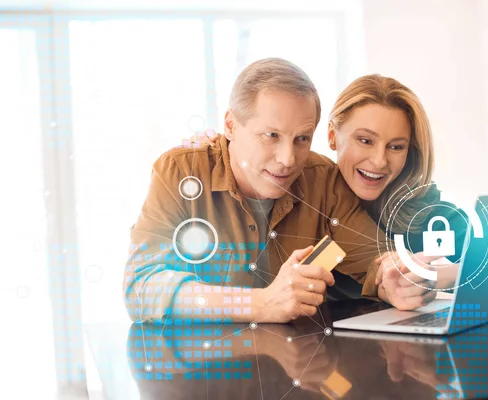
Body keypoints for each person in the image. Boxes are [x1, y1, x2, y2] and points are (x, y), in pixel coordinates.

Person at [123, 58, 417, 325]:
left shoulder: (324, 181)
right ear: (230, 125)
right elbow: (142, 287)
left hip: (296, 369)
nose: (288, 159)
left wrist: (399, 283)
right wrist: (260, 303)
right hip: (205, 373)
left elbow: (376, 261)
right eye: (271, 136)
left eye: (302, 138)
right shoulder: (179, 172)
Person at [193, 74, 465, 311]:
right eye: (365, 140)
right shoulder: (309, 196)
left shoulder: (427, 214)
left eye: (396, 147)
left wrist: (439, 276)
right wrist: (228, 148)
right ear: (332, 136)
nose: (379, 161)